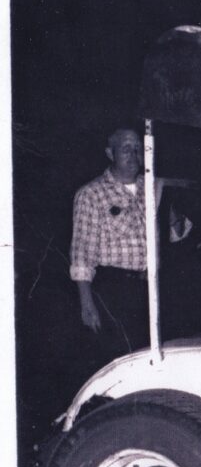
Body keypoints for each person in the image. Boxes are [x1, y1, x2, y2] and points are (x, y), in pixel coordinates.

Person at [70, 128, 149, 363]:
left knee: (146, 357)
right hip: (113, 290)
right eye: (126, 149)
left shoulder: (152, 188)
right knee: (119, 358)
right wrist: (87, 303)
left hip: (149, 288)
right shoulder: (91, 194)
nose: (134, 154)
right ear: (110, 153)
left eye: (138, 148)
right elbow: (82, 254)